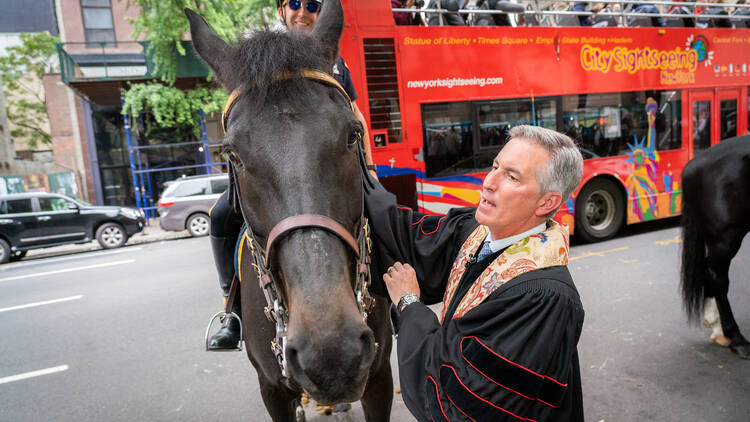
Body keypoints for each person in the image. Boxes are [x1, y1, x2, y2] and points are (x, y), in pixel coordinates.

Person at [364, 125, 585, 421]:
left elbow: (454, 407)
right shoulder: (476, 233)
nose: (489, 182)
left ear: (547, 202)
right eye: (495, 166)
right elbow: (399, 235)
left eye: (511, 176)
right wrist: (359, 171)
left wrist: (409, 305)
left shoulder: (544, 299)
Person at [206, 0, 377, 350]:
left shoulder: (335, 61)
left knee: (380, 208)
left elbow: (355, 114)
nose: (303, 12)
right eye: (295, 3)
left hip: (326, 168)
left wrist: (369, 167)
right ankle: (232, 310)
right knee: (220, 215)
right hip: (275, 171)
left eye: (312, 5)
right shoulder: (258, 56)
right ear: (282, 10)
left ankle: (395, 297)